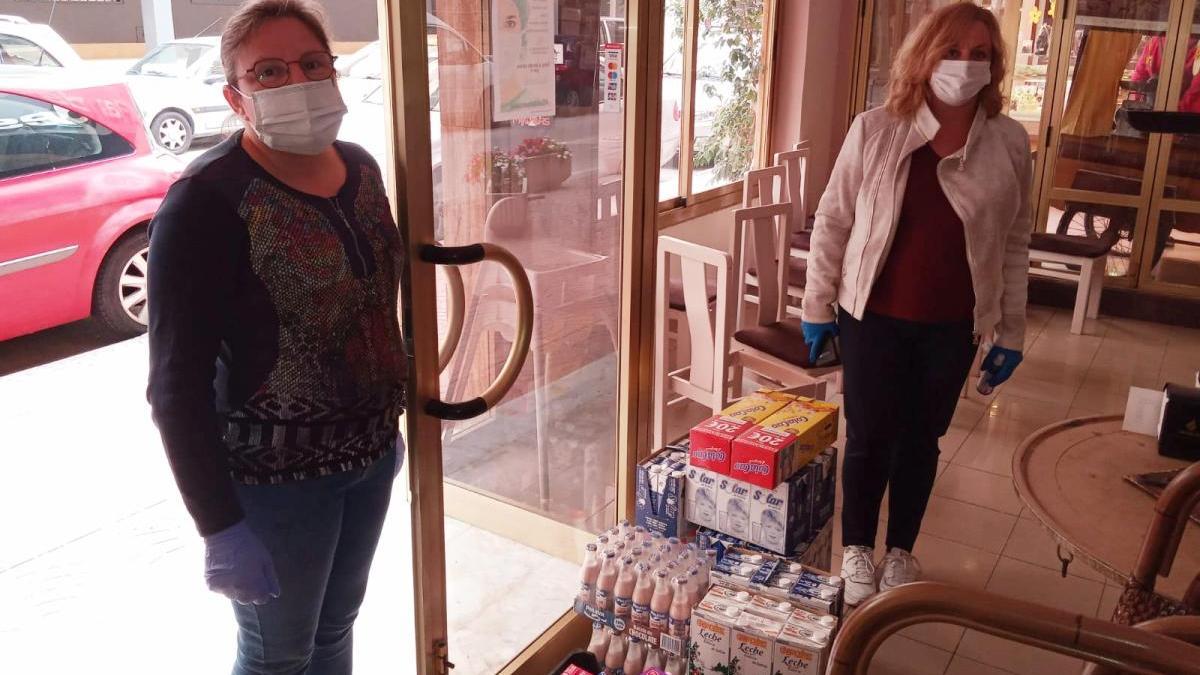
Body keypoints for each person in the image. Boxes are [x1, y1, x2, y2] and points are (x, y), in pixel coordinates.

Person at [146, 1, 407, 672]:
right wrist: (218, 523)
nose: (298, 80)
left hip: (372, 458)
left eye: (313, 63)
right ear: (236, 98)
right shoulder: (207, 201)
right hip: (277, 487)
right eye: (269, 71)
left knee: (334, 629)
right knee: (277, 656)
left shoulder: (361, 170)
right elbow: (176, 385)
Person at [801, 4, 1032, 607]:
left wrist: (1010, 331)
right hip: (871, 316)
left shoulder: (1008, 142)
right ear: (924, 55)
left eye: (979, 53)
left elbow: (1013, 240)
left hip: (952, 325)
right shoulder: (876, 128)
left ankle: (900, 549)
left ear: (995, 65)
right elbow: (833, 220)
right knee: (871, 436)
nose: (964, 64)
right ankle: (857, 548)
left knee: (922, 440)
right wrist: (816, 306)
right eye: (951, 50)